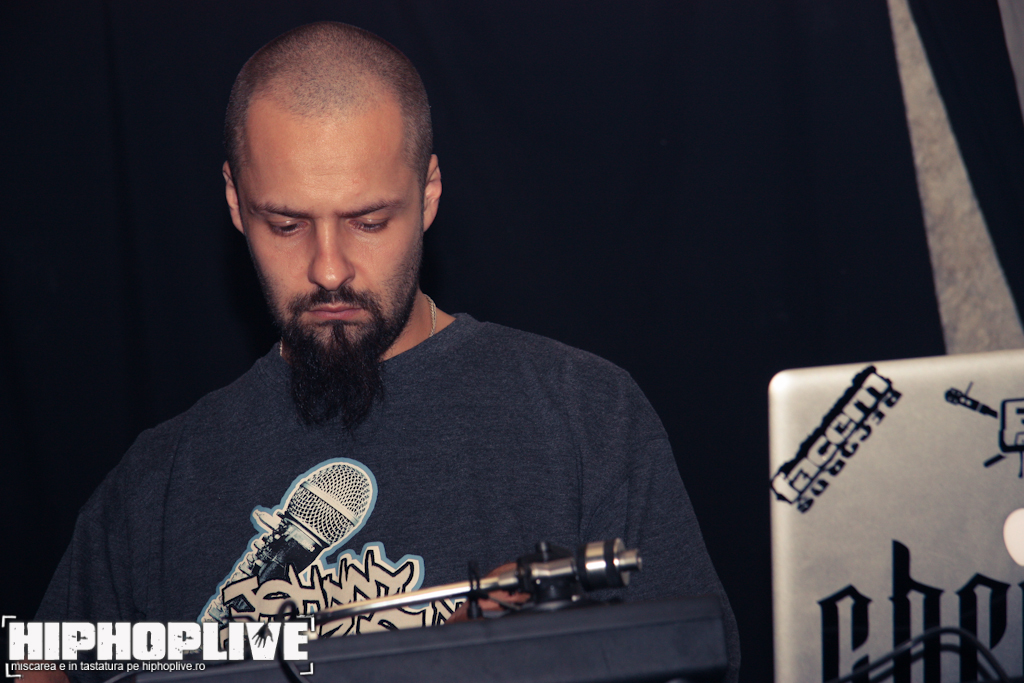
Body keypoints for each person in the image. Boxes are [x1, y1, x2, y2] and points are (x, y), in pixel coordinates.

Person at [32, 21, 739, 681]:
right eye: (286, 224)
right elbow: (43, 667)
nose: (329, 269)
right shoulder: (157, 481)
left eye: (368, 221)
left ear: (427, 194)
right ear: (235, 203)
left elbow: (689, 659)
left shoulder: (586, 417)